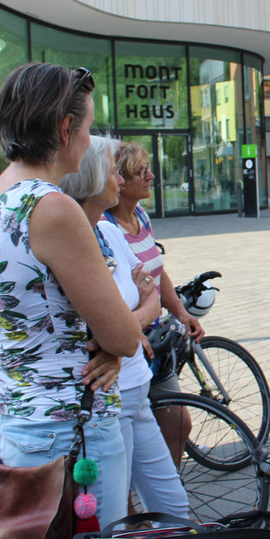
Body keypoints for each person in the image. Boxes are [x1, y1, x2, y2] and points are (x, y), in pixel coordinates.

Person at [0, 63, 143, 527]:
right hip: (69, 429)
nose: (89, 141)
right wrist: (112, 344)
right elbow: (124, 336)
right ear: (66, 129)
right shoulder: (52, 207)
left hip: (15, 417)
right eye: (88, 127)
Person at [60, 135, 189, 518]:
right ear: (89, 177)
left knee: (174, 507)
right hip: (107, 400)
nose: (119, 178)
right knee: (113, 517)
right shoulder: (74, 238)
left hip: (136, 386)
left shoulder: (110, 233)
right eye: (112, 170)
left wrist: (124, 329)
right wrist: (127, 330)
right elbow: (123, 315)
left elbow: (150, 293)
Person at [103, 142, 203, 467]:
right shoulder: (105, 228)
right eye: (141, 171)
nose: (151, 176)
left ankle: (167, 489)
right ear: (119, 179)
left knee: (178, 424)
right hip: (129, 345)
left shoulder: (141, 216)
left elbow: (157, 273)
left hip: (156, 340)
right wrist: (131, 331)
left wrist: (181, 312)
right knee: (128, 437)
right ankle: (134, 497)